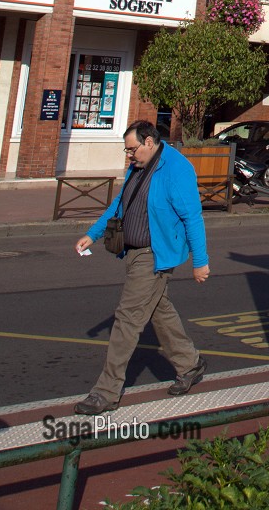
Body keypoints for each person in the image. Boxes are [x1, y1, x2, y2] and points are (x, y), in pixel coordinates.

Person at [73, 119, 209, 414]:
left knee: (127, 319)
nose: (128, 155)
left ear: (149, 142)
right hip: (133, 252)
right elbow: (119, 204)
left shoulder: (177, 169)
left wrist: (200, 262)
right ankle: (190, 363)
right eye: (126, 150)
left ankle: (106, 392)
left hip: (154, 254)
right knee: (160, 312)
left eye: (132, 149)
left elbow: (193, 218)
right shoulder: (138, 165)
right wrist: (92, 234)